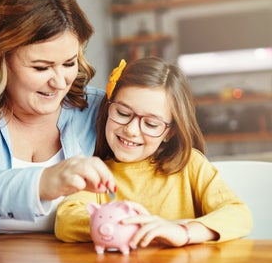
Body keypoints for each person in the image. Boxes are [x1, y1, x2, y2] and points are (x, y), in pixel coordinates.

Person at [0, 0, 116, 237]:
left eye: (69, 63)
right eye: (41, 67)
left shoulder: (98, 109)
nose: (60, 82)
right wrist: (41, 183)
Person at [55, 56, 253, 248]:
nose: (131, 130)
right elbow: (66, 220)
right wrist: (130, 226)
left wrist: (184, 232)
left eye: (151, 124)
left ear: (170, 132)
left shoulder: (190, 165)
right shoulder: (97, 171)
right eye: (123, 113)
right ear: (108, 108)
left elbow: (238, 214)